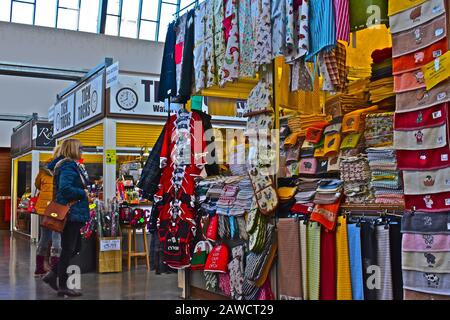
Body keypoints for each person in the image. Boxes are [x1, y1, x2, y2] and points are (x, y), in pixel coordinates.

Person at [43, 139, 89, 297]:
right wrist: (83, 193)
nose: (82, 150)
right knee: (69, 248)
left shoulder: (66, 165)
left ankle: (52, 275)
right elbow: (66, 188)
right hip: (72, 213)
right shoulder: (68, 166)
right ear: (73, 149)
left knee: (74, 247)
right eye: (80, 147)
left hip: (73, 213)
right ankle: (62, 285)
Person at [34, 146, 63, 277]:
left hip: (43, 208)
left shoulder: (43, 169)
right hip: (56, 207)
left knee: (44, 237)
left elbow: (37, 185)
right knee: (56, 237)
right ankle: (55, 269)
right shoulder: (63, 169)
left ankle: (39, 268)